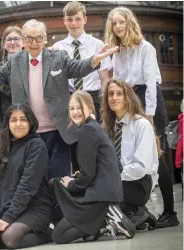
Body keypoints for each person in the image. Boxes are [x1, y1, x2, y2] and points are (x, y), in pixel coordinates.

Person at [0, 19, 118, 180]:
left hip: (59, 130)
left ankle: (59, 216)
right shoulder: (15, 61)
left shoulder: (58, 57)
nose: (34, 43)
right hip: (29, 132)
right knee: (34, 177)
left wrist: (94, 60)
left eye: (38, 38)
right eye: (29, 38)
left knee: (59, 177)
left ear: (45, 39)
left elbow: (77, 67)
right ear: (23, 40)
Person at [105, 6, 179, 228]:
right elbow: (117, 81)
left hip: (148, 99)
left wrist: (149, 115)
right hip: (128, 99)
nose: (118, 26)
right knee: (129, 151)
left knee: (158, 157)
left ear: (130, 23)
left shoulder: (145, 47)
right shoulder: (116, 51)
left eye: (121, 22)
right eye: (114, 23)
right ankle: (139, 207)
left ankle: (170, 212)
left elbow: (150, 83)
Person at [50, 91, 135, 244]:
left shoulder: (86, 130)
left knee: (58, 236)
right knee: (66, 232)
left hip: (99, 196)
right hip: (109, 192)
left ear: (90, 107)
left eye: (79, 107)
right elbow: (115, 166)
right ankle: (104, 221)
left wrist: (72, 183)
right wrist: (80, 174)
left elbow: (88, 175)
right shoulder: (94, 127)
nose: (75, 112)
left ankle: (106, 218)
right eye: (71, 108)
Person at [0, 104, 52, 249]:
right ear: (7, 124)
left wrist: (9, 217)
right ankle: (4, 231)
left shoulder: (36, 145)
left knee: (10, 237)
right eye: (14, 120)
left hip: (34, 208)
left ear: (30, 122)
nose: (18, 124)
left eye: (23, 119)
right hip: (3, 207)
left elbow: (27, 186)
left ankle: (46, 233)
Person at [53, 1, 112, 172]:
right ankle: (80, 191)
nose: (74, 24)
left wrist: (105, 111)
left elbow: (104, 80)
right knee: (75, 148)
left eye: (77, 19)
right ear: (64, 21)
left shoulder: (97, 45)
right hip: (70, 101)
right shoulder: (58, 48)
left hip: (93, 99)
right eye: (69, 19)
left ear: (85, 20)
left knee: (95, 146)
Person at [101, 78, 160, 230]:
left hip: (140, 184)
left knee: (100, 196)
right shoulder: (110, 127)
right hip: (120, 180)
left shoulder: (142, 125)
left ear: (128, 97)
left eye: (119, 94)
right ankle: (135, 213)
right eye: (111, 94)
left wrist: (111, 177)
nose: (114, 98)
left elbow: (140, 168)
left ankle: (135, 212)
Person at [0, 26, 23, 145]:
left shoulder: (31, 66)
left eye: (16, 39)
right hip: (5, 126)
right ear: (3, 44)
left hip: (28, 123)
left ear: (23, 42)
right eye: (9, 39)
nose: (12, 42)